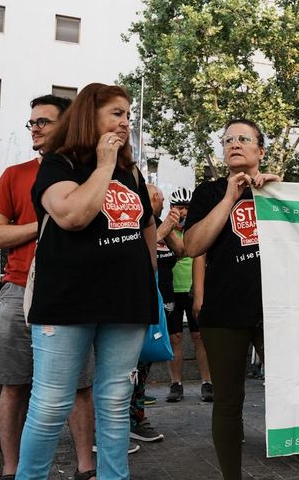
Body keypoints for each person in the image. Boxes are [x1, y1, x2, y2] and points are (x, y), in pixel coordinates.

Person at [16, 83, 158, 480]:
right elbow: (73, 215)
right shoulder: (58, 164)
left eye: (128, 114)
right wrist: (103, 165)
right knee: (50, 404)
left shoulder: (130, 169)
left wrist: (149, 280)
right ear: (88, 116)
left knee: (115, 402)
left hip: (126, 302)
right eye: (116, 113)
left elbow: (145, 224)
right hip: (67, 302)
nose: (125, 122)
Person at [183, 118, 299, 479]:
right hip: (225, 312)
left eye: (243, 139)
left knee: (295, 399)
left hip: (279, 311)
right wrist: (231, 197)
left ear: (260, 151)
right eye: (228, 139)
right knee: (228, 404)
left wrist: (279, 194)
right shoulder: (209, 193)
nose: (234, 143)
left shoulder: (279, 191)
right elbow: (193, 245)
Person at [0, 95, 97, 480]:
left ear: (66, 126)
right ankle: (10, 470)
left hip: (71, 294)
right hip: (17, 290)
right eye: (31, 122)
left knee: (80, 388)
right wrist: (48, 222)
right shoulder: (14, 174)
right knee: (12, 385)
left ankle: (87, 468)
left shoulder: (89, 172)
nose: (34, 128)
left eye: (44, 122)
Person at [126, 183, 170, 444]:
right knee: (123, 373)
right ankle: (122, 423)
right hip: (129, 301)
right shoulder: (135, 221)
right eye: (161, 199)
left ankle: (136, 418)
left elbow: (180, 247)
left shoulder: (154, 220)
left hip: (148, 300)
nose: (164, 204)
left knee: (141, 370)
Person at [164, 187, 214, 403]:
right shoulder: (165, 229)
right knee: (175, 338)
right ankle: (176, 384)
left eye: (187, 208)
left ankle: (207, 382)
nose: (183, 212)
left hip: (194, 288)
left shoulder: (197, 227)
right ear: (171, 208)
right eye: (179, 207)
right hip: (172, 290)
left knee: (199, 337)